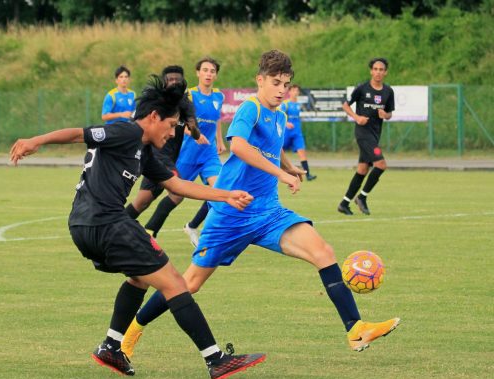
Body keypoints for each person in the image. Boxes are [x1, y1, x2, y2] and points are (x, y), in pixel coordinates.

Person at [122, 50, 400, 359]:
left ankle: (355, 328)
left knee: (323, 252)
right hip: (231, 213)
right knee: (189, 283)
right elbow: (239, 146)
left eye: (286, 83)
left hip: (268, 211)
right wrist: (282, 173)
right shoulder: (249, 109)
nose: (282, 89)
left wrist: (290, 166)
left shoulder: (280, 115)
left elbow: (272, 147)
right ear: (260, 81)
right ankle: (133, 329)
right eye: (276, 82)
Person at [9, 76, 265, 379]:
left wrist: (226, 194)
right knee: (175, 284)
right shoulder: (127, 130)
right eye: (171, 125)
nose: (173, 134)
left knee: (139, 278)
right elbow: (79, 134)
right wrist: (36, 141)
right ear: (154, 117)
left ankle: (111, 346)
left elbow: (176, 185)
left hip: (84, 225)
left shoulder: (144, 151)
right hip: (106, 222)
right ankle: (216, 360)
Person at [144, 56, 225, 247]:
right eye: (205, 70)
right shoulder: (189, 95)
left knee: (220, 190)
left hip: (209, 153)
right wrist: (191, 132)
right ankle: (150, 230)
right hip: (188, 152)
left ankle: (193, 226)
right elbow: (180, 119)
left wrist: (219, 140)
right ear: (198, 72)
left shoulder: (218, 96)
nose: (208, 74)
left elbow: (217, 119)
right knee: (176, 195)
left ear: (215, 75)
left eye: (212, 71)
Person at [125, 65, 208, 223]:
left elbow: (195, 133)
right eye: (170, 79)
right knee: (178, 193)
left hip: (164, 158)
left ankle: (116, 225)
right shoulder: (154, 102)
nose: (174, 82)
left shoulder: (185, 106)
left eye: (178, 79)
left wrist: (194, 129)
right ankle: (150, 230)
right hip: (156, 155)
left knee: (142, 202)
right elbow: (135, 122)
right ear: (164, 81)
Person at [337, 57, 395, 216]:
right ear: (371, 71)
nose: (378, 72)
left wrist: (386, 114)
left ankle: (344, 203)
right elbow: (345, 105)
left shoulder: (388, 91)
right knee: (381, 164)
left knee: (362, 169)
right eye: (375, 69)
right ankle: (362, 197)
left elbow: (389, 114)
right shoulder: (362, 88)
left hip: (375, 134)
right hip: (363, 133)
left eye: (381, 69)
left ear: (385, 72)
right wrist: (357, 117)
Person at [279, 84, 317, 181]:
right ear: (290, 92)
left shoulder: (298, 105)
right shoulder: (285, 104)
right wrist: (286, 123)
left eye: (297, 91)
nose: (295, 92)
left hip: (297, 133)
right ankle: (275, 172)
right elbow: (279, 116)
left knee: (302, 152)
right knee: (277, 152)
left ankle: (307, 174)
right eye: (293, 90)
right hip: (286, 133)